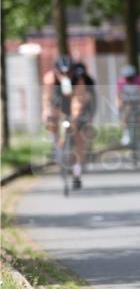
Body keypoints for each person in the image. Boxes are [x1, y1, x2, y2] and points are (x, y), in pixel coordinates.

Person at [42, 54, 96, 190]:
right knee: (51, 120)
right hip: (58, 105)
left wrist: (75, 118)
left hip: (75, 105)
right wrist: (47, 112)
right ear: (57, 71)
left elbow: (78, 101)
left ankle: (77, 173)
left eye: (68, 72)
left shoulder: (79, 79)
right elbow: (47, 99)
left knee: (80, 138)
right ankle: (55, 144)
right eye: (62, 72)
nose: (65, 75)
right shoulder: (50, 78)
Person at [116, 64, 140, 148]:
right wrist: (119, 104)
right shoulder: (121, 82)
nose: (129, 80)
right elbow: (119, 95)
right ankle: (126, 133)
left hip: (138, 102)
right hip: (127, 103)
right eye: (127, 78)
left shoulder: (139, 81)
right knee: (126, 115)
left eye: (130, 77)